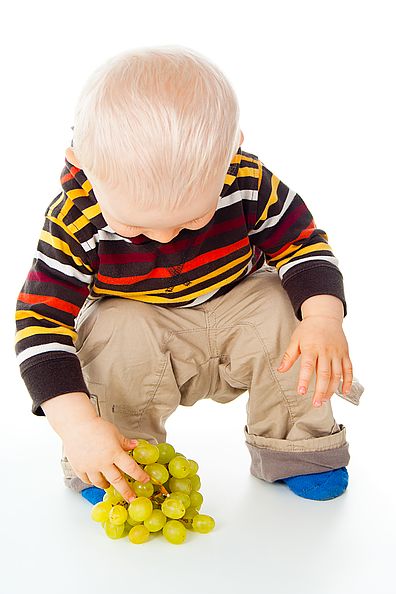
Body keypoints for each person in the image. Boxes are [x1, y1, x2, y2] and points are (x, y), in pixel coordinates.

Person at [14, 46, 363, 506]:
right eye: (135, 227)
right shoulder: (74, 220)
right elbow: (42, 324)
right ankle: (116, 462)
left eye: (191, 220)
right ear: (82, 164)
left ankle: (299, 446)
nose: (162, 237)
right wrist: (75, 425)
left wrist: (322, 317)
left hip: (240, 310)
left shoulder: (247, 181)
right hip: (142, 331)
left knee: (285, 310)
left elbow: (302, 244)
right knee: (111, 331)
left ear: (229, 153)